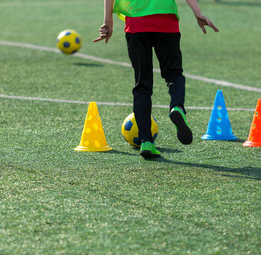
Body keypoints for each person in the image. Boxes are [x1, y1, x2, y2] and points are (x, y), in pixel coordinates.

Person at [94, 0, 219, 158]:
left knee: (142, 85)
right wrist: (198, 13)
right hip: (166, 20)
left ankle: (146, 142)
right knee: (173, 73)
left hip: (136, 22)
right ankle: (177, 107)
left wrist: (108, 21)